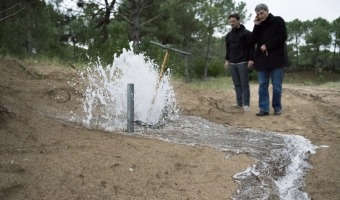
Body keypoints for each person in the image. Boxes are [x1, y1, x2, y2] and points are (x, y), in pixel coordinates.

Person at [251, 3, 288, 116]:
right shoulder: (259, 25)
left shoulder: (278, 21)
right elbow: (253, 41)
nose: (260, 16)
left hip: (276, 59)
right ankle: (264, 108)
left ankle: (277, 107)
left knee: (276, 86)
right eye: (258, 14)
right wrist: (256, 26)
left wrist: (267, 45)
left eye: (262, 13)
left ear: (267, 11)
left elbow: (282, 37)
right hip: (262, 60)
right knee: (262, 85)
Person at [224, 13, 254, 112]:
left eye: (233, 21)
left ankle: (246, 105)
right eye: (230, 21)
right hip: (232, 62)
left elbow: (251, 48)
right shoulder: (228, 36)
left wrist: (251, 59)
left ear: (238, 21)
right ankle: (239, 103)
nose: (231, 23)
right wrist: (227, 60)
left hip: (243, 62)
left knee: (244, 84)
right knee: (236, 84)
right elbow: (228, 49)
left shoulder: (247, 33)